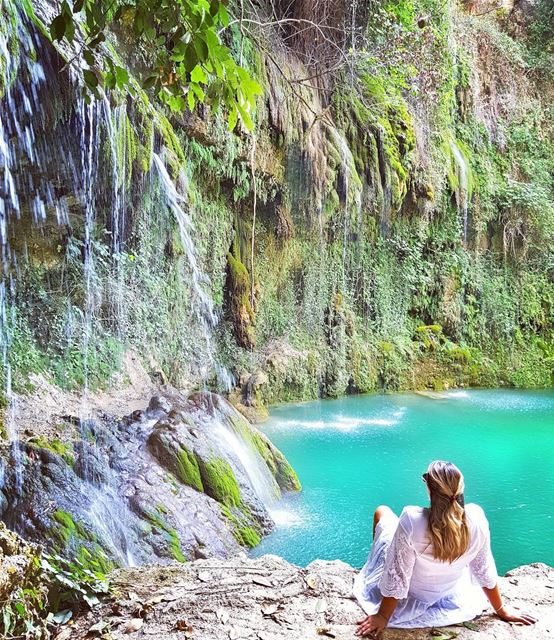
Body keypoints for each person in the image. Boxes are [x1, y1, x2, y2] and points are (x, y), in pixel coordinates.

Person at [353, 460, 537, 637]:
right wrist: (501, 609)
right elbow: (483, 569)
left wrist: (383, 616)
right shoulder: (477, 518)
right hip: (449, 595)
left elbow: (398, 577)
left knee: (382, 511)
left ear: (429, 489)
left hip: (411, 598)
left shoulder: (412, 519)